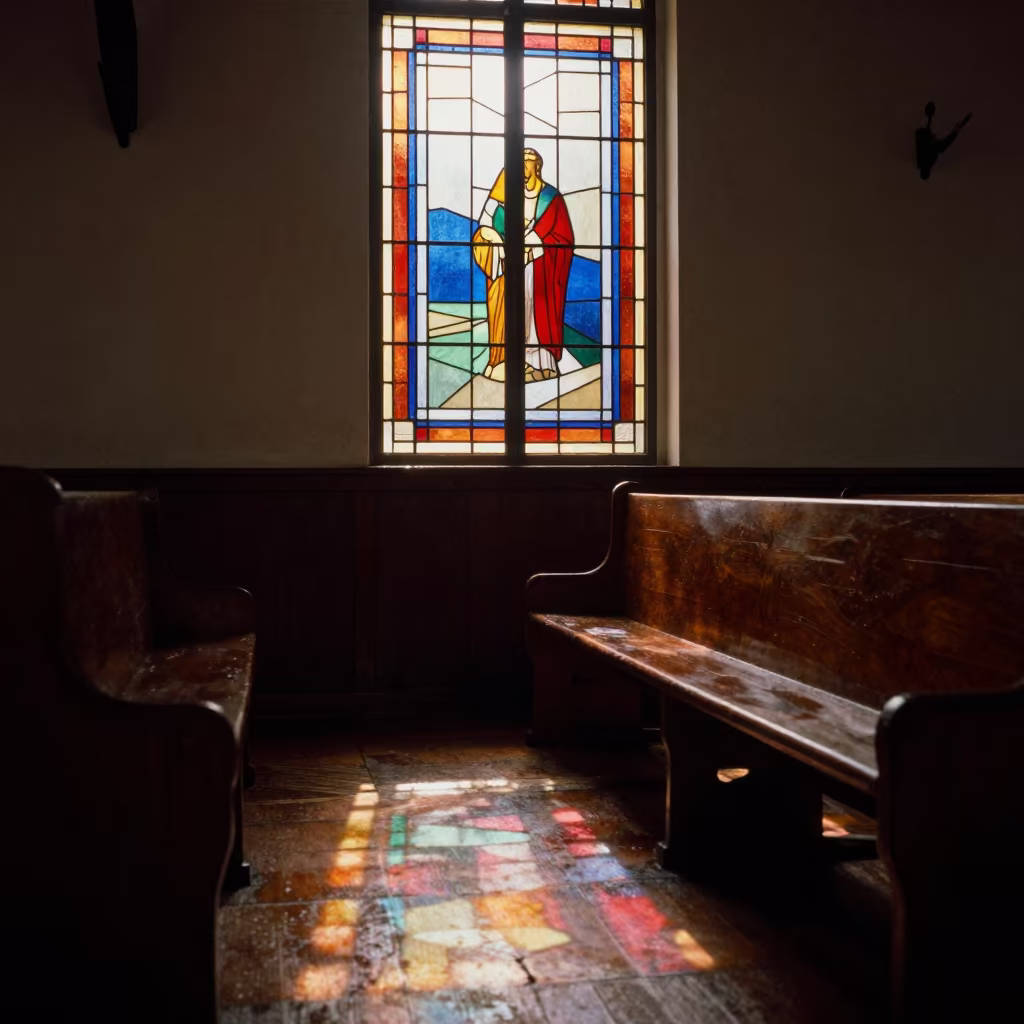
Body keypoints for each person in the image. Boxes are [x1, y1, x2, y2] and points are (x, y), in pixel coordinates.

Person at [471, 149, 574, 383]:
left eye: (527, 167)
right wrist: (497, 239)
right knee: (517, 311)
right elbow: (488, 224)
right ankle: (513, 361)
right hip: (514, 270)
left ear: (537, 167)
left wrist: (534, 245)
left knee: (536, 315)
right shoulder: (508, 196)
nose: (523, 175)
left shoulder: (551, 199)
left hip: (541, 271)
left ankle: (541, 364)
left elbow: (563, 238)